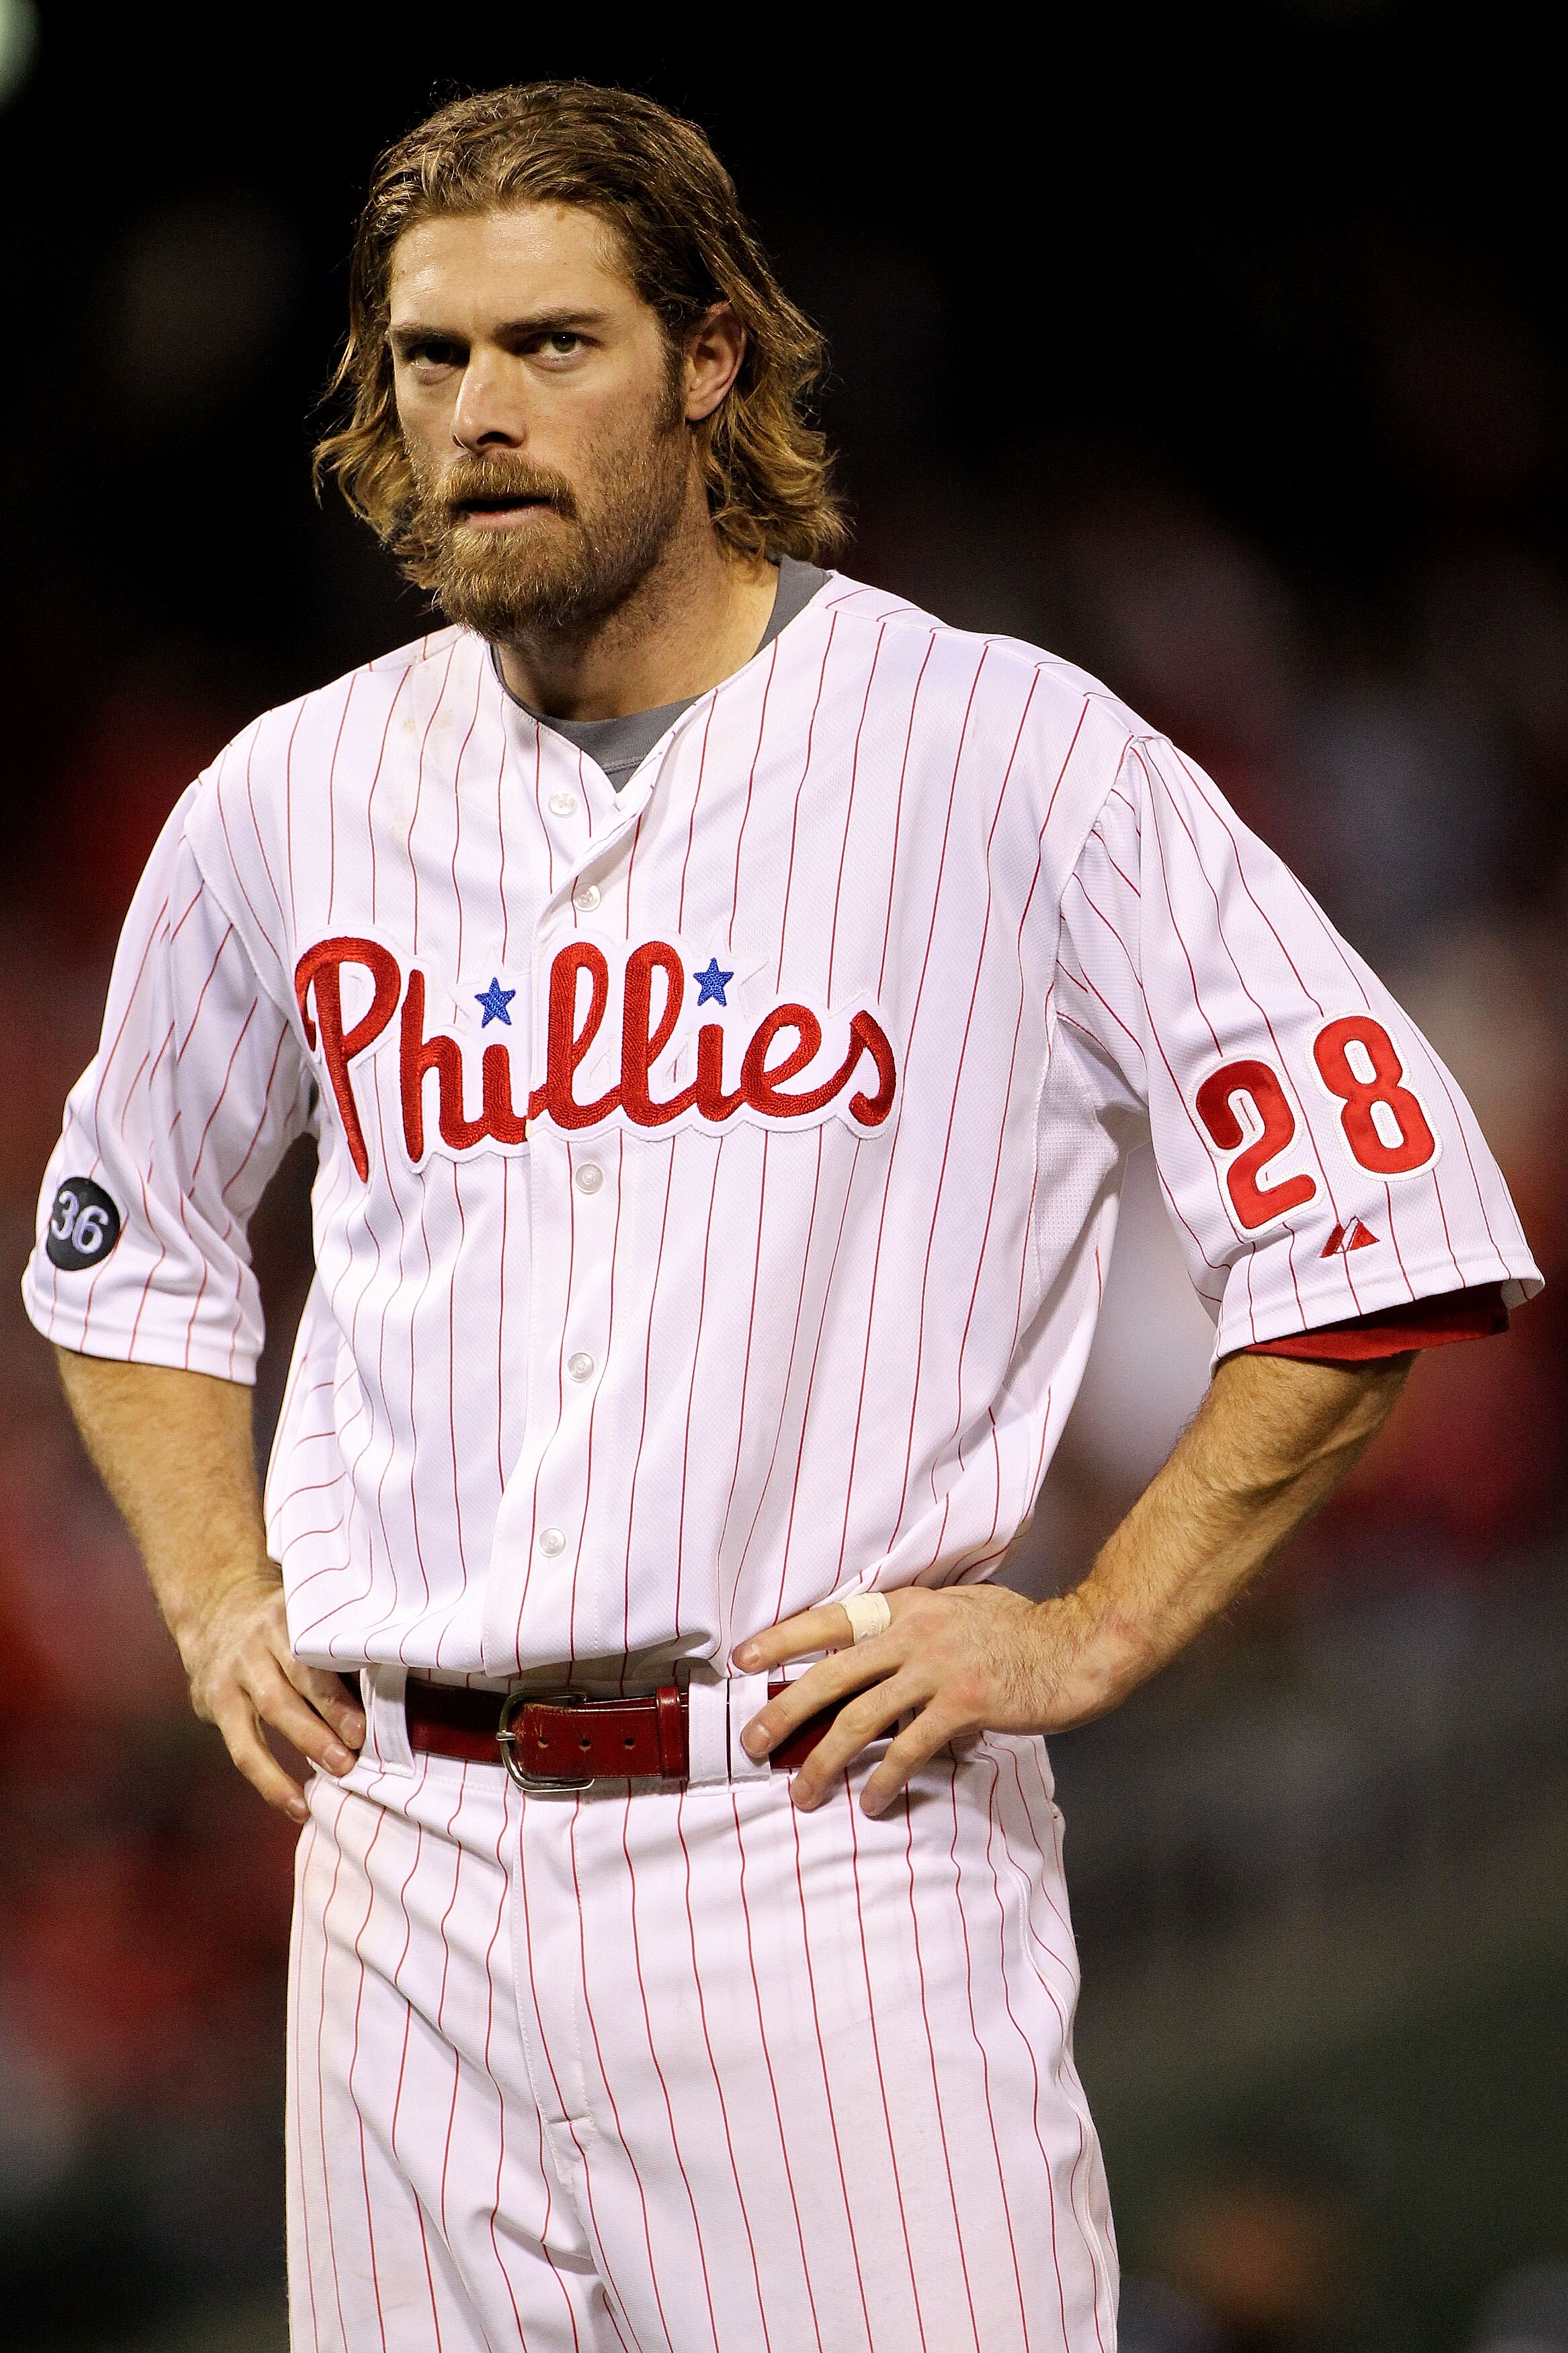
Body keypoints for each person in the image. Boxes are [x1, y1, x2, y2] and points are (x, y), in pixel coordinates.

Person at [25, 80, 1538, 2353]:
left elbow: (1381, 1225)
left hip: (815, 1844)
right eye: (429, 357)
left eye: (552, 345)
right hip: (401, 1876)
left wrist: (1101, 1626)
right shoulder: (288, 800)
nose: (478, 414)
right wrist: (216, 1580)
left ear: (713, 359)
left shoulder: (1003, 751)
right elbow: (117, 1245)